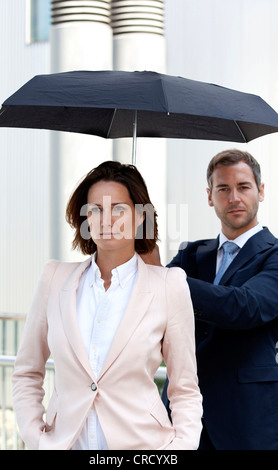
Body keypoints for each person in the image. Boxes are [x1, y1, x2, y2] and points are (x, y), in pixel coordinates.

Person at [12, 160, 202, 450]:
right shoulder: (54, 278)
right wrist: (37, 438)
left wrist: (179, 448)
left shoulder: (169, 285)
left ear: (140, 217)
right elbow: (27, 371)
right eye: (96, 209)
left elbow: (185, 388)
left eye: (119, 209)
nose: (106, 220)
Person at [161, 149, 278, 450]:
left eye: (243, 187)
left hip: (248, 418)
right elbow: (153, 303)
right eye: (223, 189)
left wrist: (165, 279)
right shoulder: (191, 254)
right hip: (182, 416)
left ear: (261, 191)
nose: (234, 198)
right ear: (209, 196)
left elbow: (244, 306)